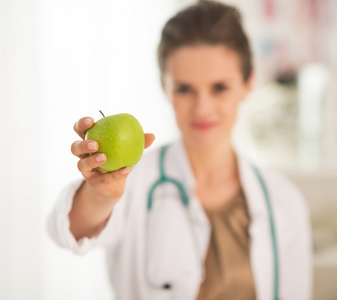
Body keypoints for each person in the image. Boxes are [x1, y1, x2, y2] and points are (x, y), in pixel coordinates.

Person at [47, 1, 312, 299]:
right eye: (185, 89)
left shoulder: (284, 201)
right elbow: (66, 231)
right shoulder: (130, 181)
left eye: (219, 88)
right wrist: (99, 194)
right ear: (165, 87)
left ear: (248, 83)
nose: (202, 108)